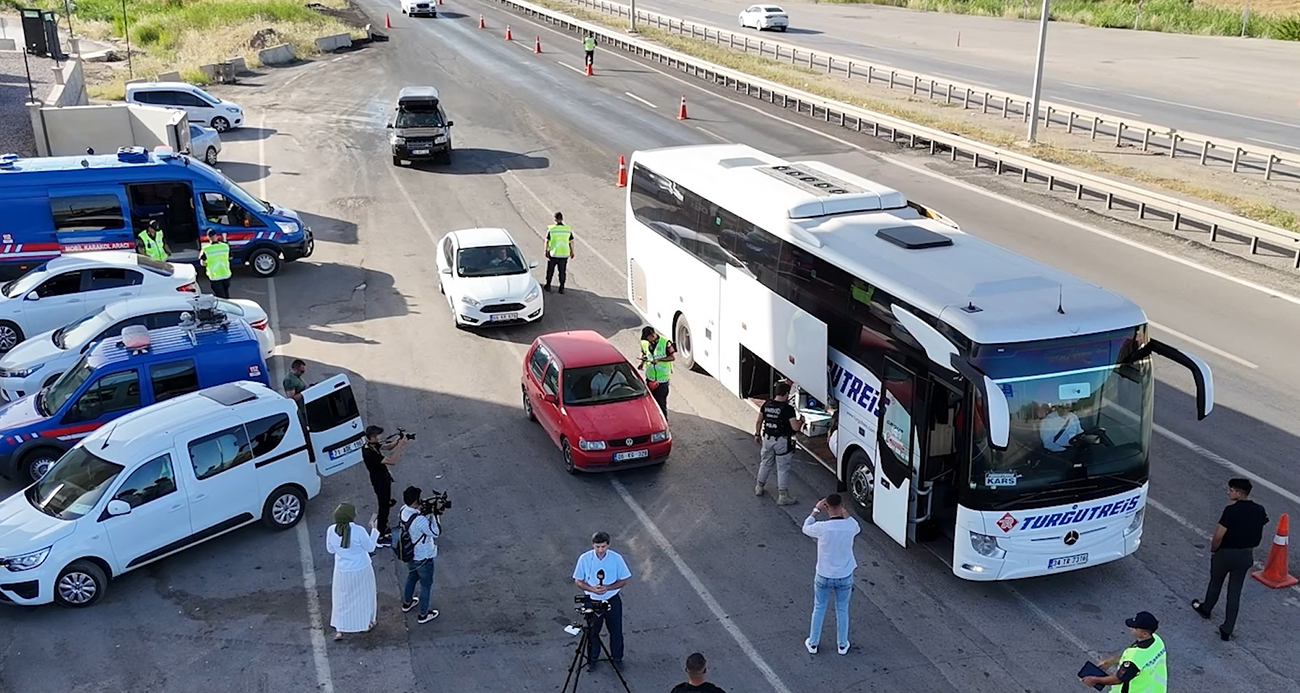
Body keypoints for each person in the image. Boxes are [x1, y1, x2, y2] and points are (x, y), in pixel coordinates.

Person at [1192, 477, 1269, 640]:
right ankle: (1227, 629)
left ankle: (1206, 609)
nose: (1228, 492)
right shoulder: (1259, 510)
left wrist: (1214, 549)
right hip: (1246, 555)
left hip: (1226, 553)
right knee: (1235, 592)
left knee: (1216, 582)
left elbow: (1219, 535)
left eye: (1231, 490)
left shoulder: (1231, 511)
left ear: (1239, 493)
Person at [802, 494, 860, 656]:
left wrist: (816, 510)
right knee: (842, 609)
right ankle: (842, 645)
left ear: (826, 507)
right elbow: (855, 525)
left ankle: (813, 643)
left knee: (819, 608)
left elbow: (805, 527)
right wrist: (843, 511)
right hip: (844, 575)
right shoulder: (850, 526)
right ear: (841, 506)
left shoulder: (822, 528)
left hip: (824, 575)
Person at [573, 531, 632, 672]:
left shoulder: (616, 559)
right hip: (592, 601)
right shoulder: (585, 559)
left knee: (616, 631)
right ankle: (592, 659)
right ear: (593, 545)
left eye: (603, 547)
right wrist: (592, 589)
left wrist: (608, 588)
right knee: (592, 632)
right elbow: (578, 581)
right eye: (597, 547)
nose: (600, 550)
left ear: (608, 545)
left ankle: (617, 659)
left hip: (612, 599)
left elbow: (623, 580)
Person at [325, 503, 380, 641]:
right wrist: (374, 530)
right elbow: (371, 547)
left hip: (342, 571)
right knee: (365, 597)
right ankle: (366, 623)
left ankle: (340, 629)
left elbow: (330, 550)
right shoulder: (359, 530)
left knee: (341, 599)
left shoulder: (331, 530)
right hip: (361, 569)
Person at [1080, 611, 1167, 692]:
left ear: (1144, 634)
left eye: (1135, 628)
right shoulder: (1157, 641)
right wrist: (1111, 661)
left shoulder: (1135, 657)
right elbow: (1137, 659)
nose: (1131, 628)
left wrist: (1095, 680)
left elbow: (1118, 679)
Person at [754, 381, 804, 506]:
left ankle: (759, 487)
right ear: (786, 394)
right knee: (782, 469)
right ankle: (783, 496)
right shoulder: (788, 409)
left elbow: (759, 421)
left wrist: (757, 434)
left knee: (765, 463)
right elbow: (795, 427)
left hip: (767, 439)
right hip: (781, 441)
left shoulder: (766, 405)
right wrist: (801, 421)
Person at [398, 486, 441, 624]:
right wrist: (434, 515)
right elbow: (435, 532)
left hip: (410, 554)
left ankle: (407, 603)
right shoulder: (419, 520)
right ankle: (423, 614)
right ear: (415, 501)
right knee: (426, 585)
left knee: (412, 576)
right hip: (423, 556)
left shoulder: (403, 511)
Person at [363, 425, 408, 547]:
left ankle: (384, 526)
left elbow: (387, 446)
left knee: (386, 503)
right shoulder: (370, 454)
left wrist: (397, 441)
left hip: (383, 479)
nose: (380, 437)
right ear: (372, 437)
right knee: (384, 506)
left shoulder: (370, 446)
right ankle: (381, 534)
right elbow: (393, 461)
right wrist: (400, 446)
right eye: (378, 435)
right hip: (380, 482)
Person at [639, 326, 675, 421]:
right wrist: (642, 362)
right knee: (650, 402)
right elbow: (643, 353)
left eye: (649, 338)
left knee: (661, 403)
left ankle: (663, 422)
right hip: (650, 377)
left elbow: (672, 357)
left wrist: (659, 360)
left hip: (662, 380)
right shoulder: (645, 342)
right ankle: (653, 420)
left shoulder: (665, 342)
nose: (648, 341)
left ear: (653, 335)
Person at [543, 212, 573, 293]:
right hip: (564, 254)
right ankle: (562, 287)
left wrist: (546, 250)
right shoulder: (567, 229)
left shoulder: (551, 229)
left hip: (553, 253)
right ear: (562, 219)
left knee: (550, 270)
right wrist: (572, 251)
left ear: (555, 219)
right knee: (562, 271)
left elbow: (547, 241)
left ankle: (548, 285)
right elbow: (571, 241)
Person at [199, 229, 232, 299]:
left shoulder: (206, 249)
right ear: (216, 236)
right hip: (226, 274)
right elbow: (230, 257)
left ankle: (224, 309)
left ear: (208, 237)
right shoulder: (225, 246)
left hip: (215, 276)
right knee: (226, 295)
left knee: (220, 297)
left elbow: (202, 263)